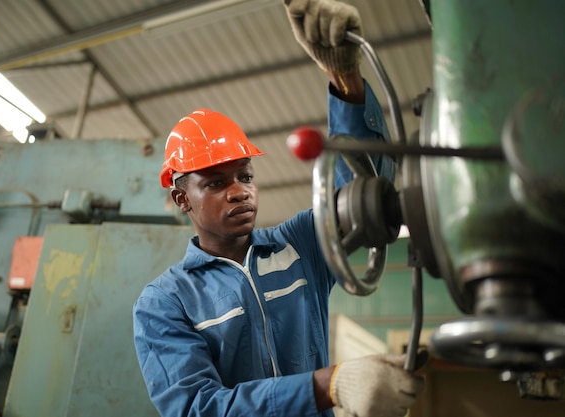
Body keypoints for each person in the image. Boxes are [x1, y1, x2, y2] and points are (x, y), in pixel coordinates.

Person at [133, 1, 426, 416]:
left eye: (246, 176)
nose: (239, 192)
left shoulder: (300, 244)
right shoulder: (166, 301)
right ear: (183, 199)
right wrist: (326, 387)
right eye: (216, 183)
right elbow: (196, 408)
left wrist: (344, 78)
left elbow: (365, 195)